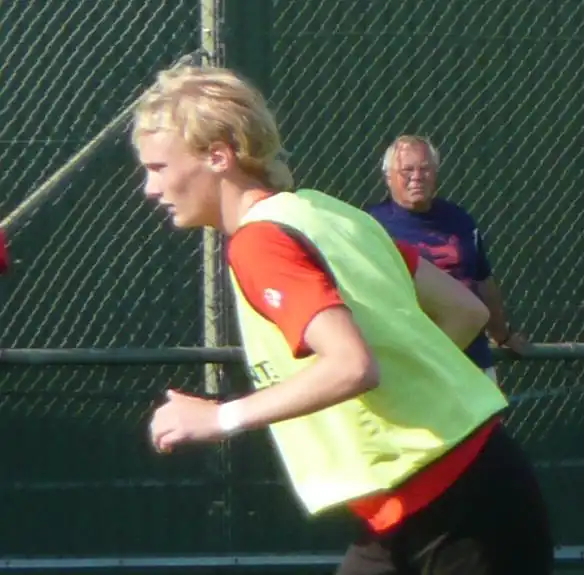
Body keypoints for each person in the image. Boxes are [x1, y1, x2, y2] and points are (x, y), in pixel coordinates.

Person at [134, 64, 553, 575]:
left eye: (158, 167)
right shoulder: (331, 214)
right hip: (442, 498)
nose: (149, 187)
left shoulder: (260, 243)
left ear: (218, 156)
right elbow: (465, 310)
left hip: (453, 512)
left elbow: (351, 366)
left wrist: (218, 419)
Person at [368, 135, 529, 382]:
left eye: (425, 169)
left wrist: (502, 335)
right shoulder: (371, 225)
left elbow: (483, 281)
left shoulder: (459, 219)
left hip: (471, 362)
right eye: (407, 170)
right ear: (388, 177)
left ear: (435, 174)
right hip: (414, 366)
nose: (417, 177)